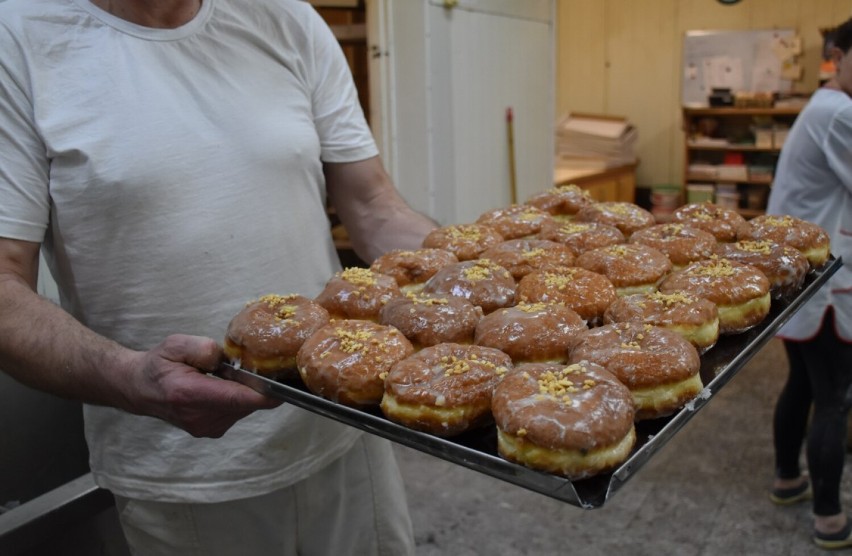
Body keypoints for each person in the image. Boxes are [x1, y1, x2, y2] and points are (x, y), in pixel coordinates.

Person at [0, 0, 437, 554]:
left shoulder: (286, 19)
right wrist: (131, 377)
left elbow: (374, 208)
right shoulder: (20, 38)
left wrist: (473, 275)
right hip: (184, 472)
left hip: (344, 434)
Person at [768, 16, 852, 551]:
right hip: (823, 287)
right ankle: (828, 515)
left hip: (802, 278)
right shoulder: (838, 112)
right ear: (838, 55)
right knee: (835, 398)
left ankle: (787, 479)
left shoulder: (826, 107)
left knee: (803, 382)